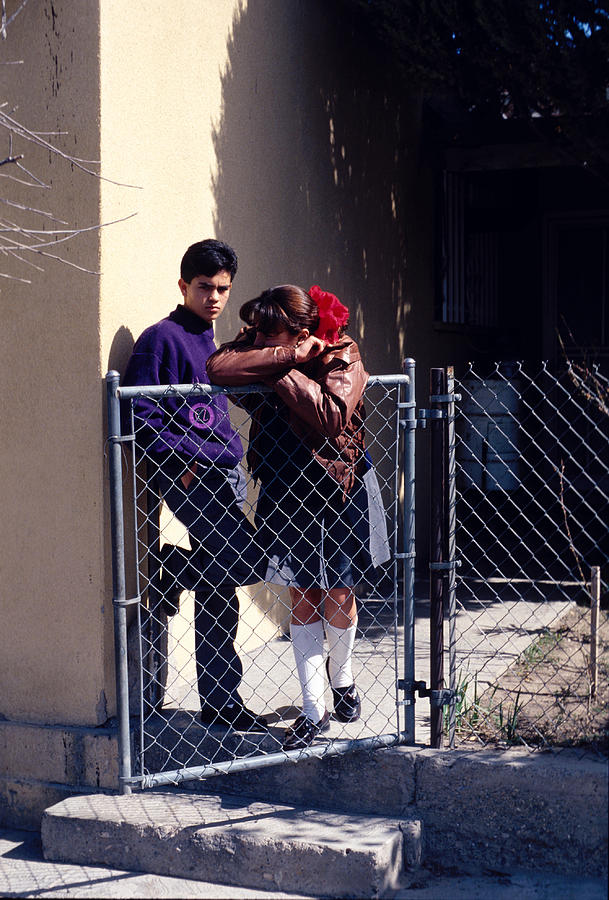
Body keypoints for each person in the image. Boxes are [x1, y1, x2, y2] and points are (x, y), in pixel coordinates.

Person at [207, 284, 390, 750]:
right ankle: (314, 712)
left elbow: (330, 417)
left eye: (272, 332)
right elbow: (217, 367)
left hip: (337, 488)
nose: (259, 340)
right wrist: (282, 356)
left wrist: (279, 369)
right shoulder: (275, 348)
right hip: (286, 490)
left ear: (303, 328)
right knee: (302, 598)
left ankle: (343, 680)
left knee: (339, 595)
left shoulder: (342, 353)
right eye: (260, 333)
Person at [122, 239, 268, 732]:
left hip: (224, 471)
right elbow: (139, 415)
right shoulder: (159, 338)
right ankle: (170, 565)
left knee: (221, 585)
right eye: (204, 287)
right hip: (190, 477)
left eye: (223, 289)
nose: (214, 297)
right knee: (245, 558)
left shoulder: (212, 338)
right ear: (184, 285)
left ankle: (221, 702)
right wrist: (178, 464)